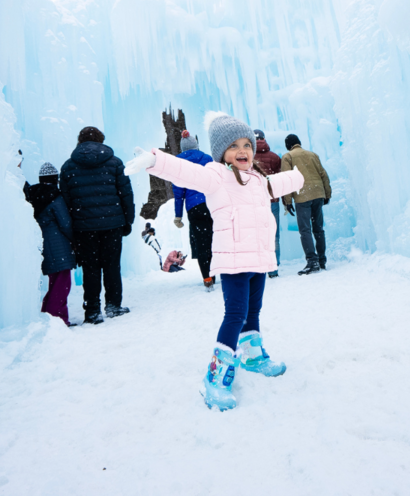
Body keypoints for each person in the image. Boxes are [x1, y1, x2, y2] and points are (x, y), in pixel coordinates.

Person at [124, 112, 304, 411]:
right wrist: (155, 160)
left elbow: (275, 185)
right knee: (235, 313)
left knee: (253, 310)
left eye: (246, 144)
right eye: (234, 146)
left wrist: (297, 176)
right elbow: (185, 173)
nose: (243, 150)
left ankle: (252, 355)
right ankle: (216, 376)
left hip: (258, 257)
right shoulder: (215, 176)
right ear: (222, 153)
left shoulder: (258, 179)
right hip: (233, 261)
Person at [60, 126, 135, 325]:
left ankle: (92, 311)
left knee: (90, 269)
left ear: (80, 141)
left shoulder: (68, 167)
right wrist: (128, 220)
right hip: (112, 224)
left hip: (84, 228)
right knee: (112, 265)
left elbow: (66, 202)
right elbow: (126, 193)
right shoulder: (115, 163)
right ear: (101, 140)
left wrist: (71, 230)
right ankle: (113, 305)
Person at [25, 163, 76, 326]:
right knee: (62, 283)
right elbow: (66, 223)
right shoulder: (55, 196)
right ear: (55, 180)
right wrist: (75, 240)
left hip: (43, 244)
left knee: (55, 282)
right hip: (59, 245)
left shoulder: (32, 195)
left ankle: (47, 315)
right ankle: (57, 318)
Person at [280, 134, 331, 275]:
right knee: (318, 229)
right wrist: (327, 194)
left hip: (303, 197)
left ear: (287, 145)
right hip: (318, 194)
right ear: (299, 143)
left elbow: (287, 179)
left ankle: (312, 261)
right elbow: (323, 175)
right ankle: (321, 260)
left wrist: (288, 201)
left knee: (305, 230)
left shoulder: (288, 157)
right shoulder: (312, 154)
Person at [172, 130, 216, 289]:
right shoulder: (207, 158)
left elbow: (178, 193)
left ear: (182, 148)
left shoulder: (178, 164)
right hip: (211, 204)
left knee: (202, 242)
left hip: (194, 208)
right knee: (214, 240)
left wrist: (178, 215)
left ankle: (207, 278)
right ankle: (216, 272)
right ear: (196, 145)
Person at [253, 129, 282, 277]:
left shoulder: (248, 158)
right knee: (274, 234)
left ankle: (259, 267)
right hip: (273, 200)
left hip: (255, 203)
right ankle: (273, 267)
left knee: (256, 235)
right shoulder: (274, 157)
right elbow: (279, 179)